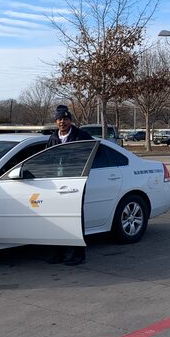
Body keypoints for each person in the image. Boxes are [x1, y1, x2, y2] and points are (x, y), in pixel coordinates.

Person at [45, 105, 93, 265]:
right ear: (56, 121)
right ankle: (57, 254)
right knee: (56, 219)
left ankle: (77, 255)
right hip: (56, 184)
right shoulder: (53, 138)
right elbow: (47, 160)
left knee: (74, 219)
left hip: (75, 183)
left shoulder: (81, 135)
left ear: (70, 121)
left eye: (65, 119)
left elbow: (94, 151)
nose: (62, 122)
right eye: (59, 119)